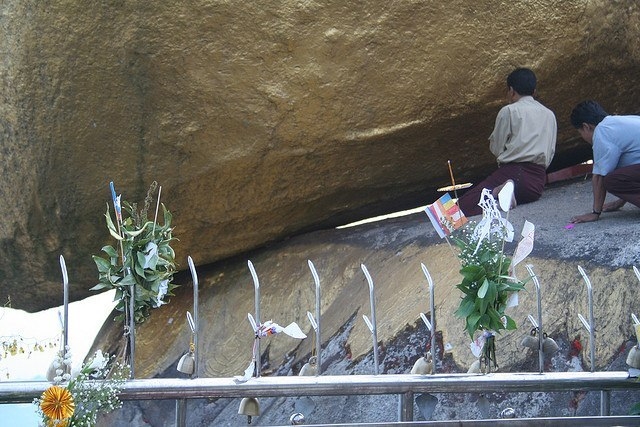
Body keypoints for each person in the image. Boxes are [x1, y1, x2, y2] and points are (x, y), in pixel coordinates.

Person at [457, 68, 557, 216]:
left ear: (511, 90)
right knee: (489, 200)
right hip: (536, 185)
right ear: (534, 91)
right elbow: (551, 152)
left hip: (514, 173)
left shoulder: (509, 111)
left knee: (459, 208)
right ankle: (499, 201)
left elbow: (496, 147)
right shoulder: (550, 114)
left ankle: (499, 190)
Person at [569, 100, 640, 223]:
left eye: (580, 132)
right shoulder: (615, 122)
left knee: (611, 180)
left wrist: (595, 213)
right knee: (616, 174)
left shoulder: (602, 131)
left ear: (586, 127)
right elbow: (629, 173)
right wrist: (620, 202)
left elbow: (599, 177)